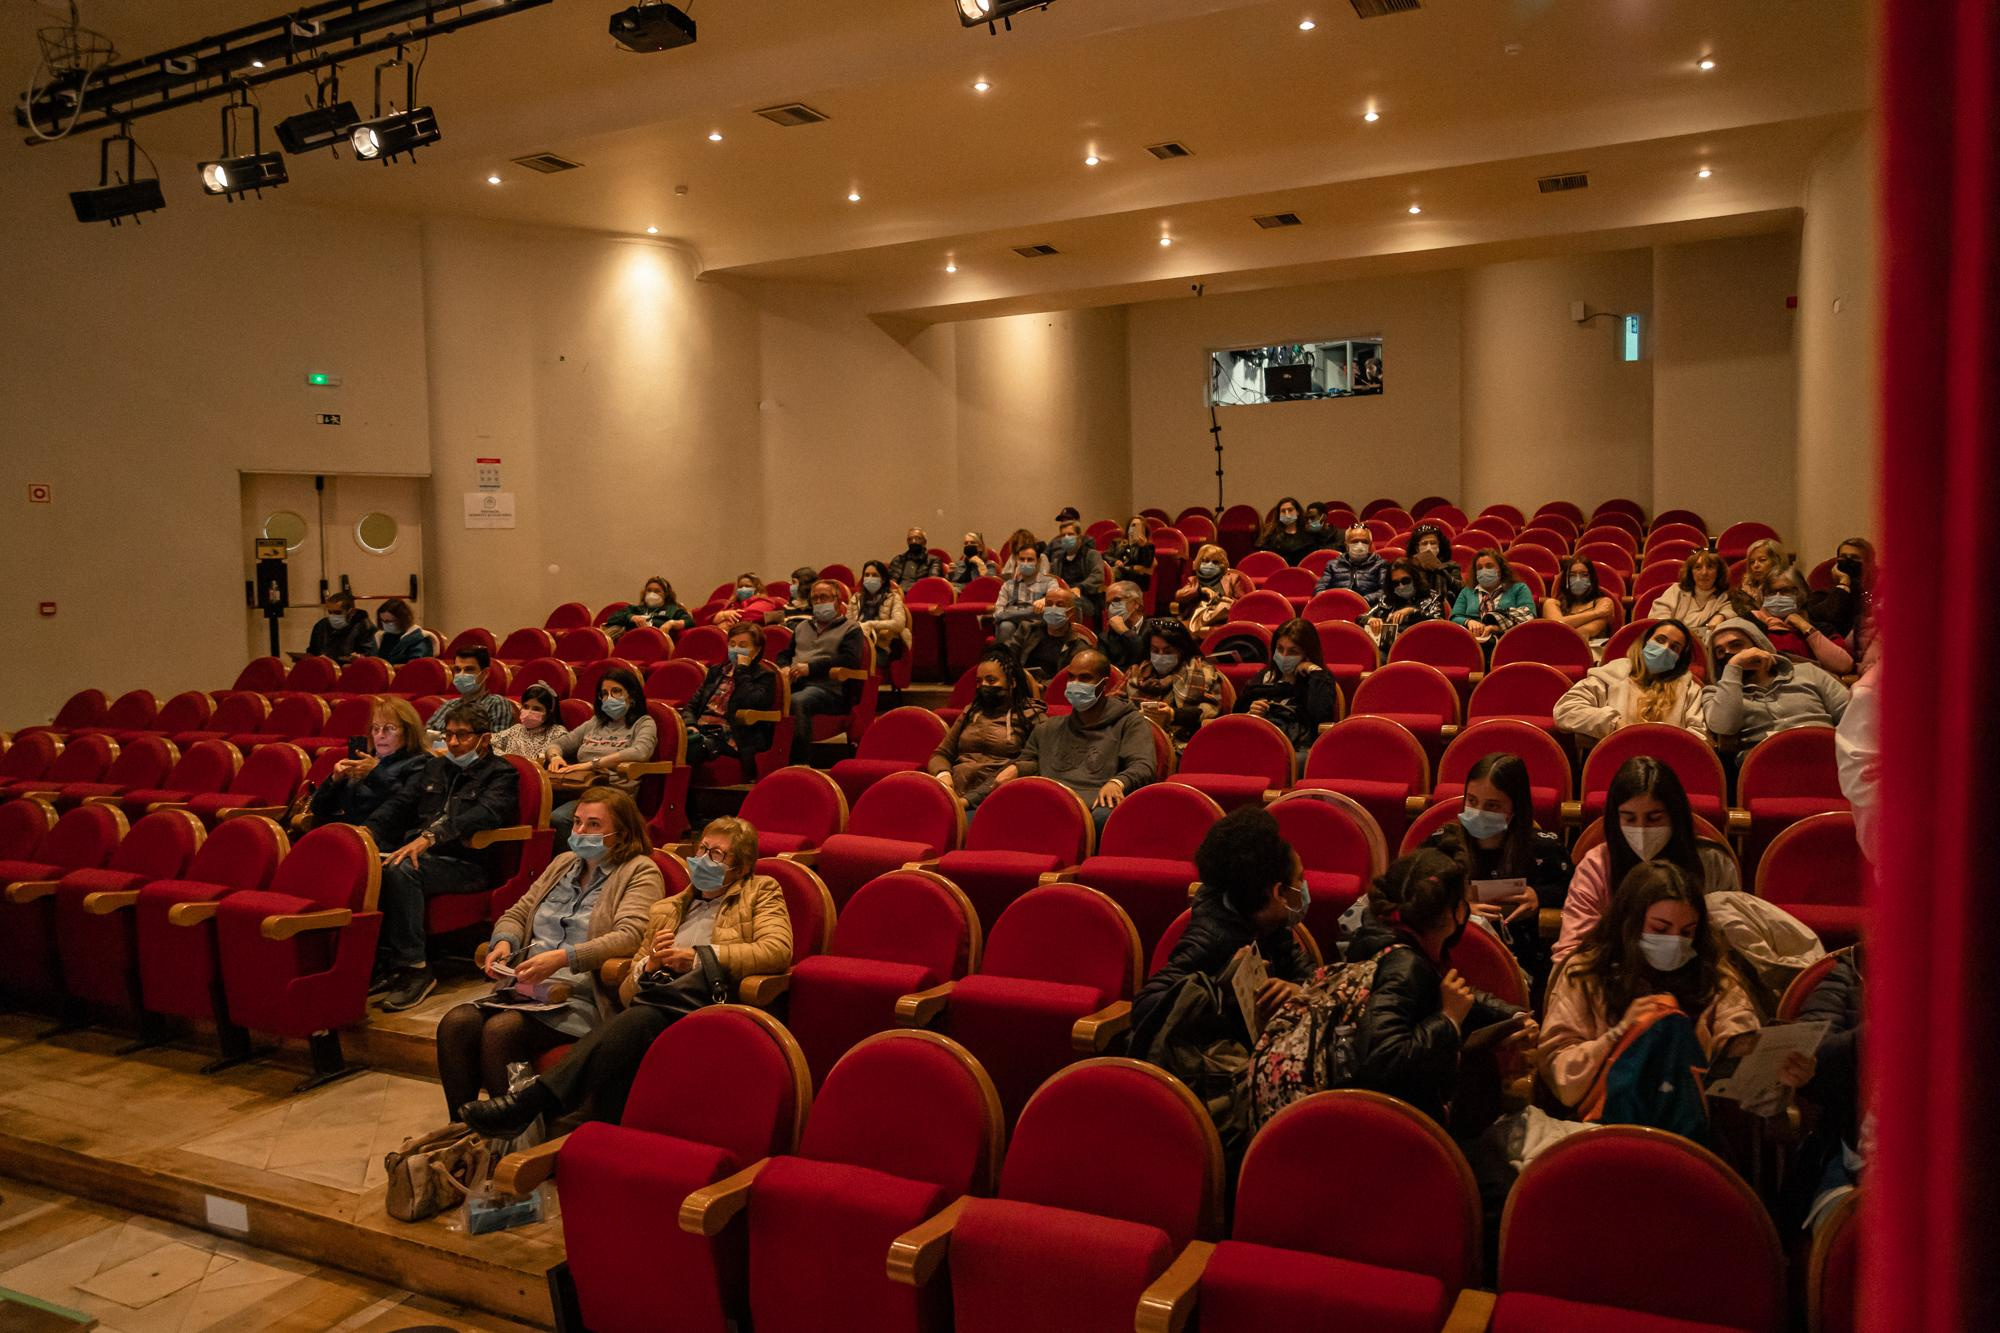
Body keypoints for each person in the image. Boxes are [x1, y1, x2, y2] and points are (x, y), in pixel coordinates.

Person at [457, 816, 792, 1136]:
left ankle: (529, 1105)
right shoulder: (669, 908)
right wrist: (648, 965)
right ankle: (571, 1130)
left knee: (636, 1020)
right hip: (662, 1001)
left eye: (717, 854)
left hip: (715, 1001)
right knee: (633, 1019)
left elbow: (777, 950)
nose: (704, 859)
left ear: (743, 867)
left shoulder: (760, 891)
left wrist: (698, 958)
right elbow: (629, 992)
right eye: (702, 849)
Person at [434, 789, 664, 1114]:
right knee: (455, 1023)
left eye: (593, 825)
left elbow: (629, 937)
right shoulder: (563, 863)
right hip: (527, 988)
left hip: (578, 996)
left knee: (500, 1031)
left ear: (621, 833)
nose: (580, 833)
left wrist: (563, 957)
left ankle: (514, 1137)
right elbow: (517, 913)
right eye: (577, 823)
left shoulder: (639, 871)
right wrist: (504, 943)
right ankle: (464, 1134)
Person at [1541, 862, 1808, 1118]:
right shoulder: (1586, 972)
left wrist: (1778, 1076)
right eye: (1660, 929)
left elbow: (1739, 1058)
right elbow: (1559, 1070)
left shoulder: (1716, 977)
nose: (1675, 941)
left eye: (1687, 932)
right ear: (1629, 923)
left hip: (1689, 1123)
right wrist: (1622, 1033)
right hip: (1604, 1121)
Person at [1338, 849, 1530, 1124]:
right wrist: (1448, 1019)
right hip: (1391, 1125)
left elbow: (1451, 993)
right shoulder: (1405, 964)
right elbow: (1385, 1059)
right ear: (1459, 912)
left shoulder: (1388, 939)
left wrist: (1513, 1017)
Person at [365, 703, 522, 1010]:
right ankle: (387, 963)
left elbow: (484, 814)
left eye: (462, 736)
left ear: (485, 739)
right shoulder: (435, 767)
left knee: (400, 869)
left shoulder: (502, 774)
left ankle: (416, 969)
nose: (451, 742)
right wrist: (365, 832)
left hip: (468, 864)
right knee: (368, 865)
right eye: (448, 734)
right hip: (424, 856)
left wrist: (432, 836)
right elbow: (400, 805)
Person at [1130, 806, 1313, 1040]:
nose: (1305, 889)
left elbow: (1311, 977)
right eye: (1301, 879)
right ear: (1278, 892)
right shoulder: (1209, 937)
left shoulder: (1272, 925)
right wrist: (1221, 989)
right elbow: (1145, 1006)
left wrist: (1298, 991)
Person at [1554, 757, 1742, 963]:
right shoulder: (1597, 865)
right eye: (1629, 818)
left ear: (1675, 815)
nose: (1641, 830)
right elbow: (1572, 950)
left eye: (1654, 818)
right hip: (1616, 979)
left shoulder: (1714, 862)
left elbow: (1730, 944)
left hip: (1699, 978)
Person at [1422, 753, 1574, 997]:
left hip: (1523, 963)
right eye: (1472, 801)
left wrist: (1540, 896)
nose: (1479, 811)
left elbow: (1575, 891)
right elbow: (1415, 892)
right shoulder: (1442, 844)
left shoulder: (1545, 849)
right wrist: (1459, 907)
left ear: (1515, 807)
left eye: (1492, 805)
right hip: (1451, 964)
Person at [990, 649, 1156, 829]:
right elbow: (1028, 762)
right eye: (1071, 677)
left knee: (1103, 818)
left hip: (1093, 804)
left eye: (1084, 678)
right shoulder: (1049, 728)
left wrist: (1118, 782)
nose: (1075, 684)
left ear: (1103, 685)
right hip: (1048, 800)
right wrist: (1017, 768)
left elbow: (1143, 765)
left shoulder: (1130, 721)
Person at [548, 667, 657, 850]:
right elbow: (559, 743)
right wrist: (555, 757)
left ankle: (573, 866)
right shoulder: (596, 723)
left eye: (616, 691)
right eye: (604, 694)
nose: (609, 698)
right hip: (581, 790)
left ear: (631, 695)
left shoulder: (643, 722)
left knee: (559, 819)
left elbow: (640, 752)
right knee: (533, 810)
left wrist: (591, 765)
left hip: (615, 795)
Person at [1554, 617, 1709, 742]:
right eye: (1660, 640)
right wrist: (1614, 723)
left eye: (1674, 647)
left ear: (1679, 659)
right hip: (1616, 758)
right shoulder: (1611, 674)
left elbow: (1698, 736)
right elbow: (1565, 710)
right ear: (1645, 642)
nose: (1665, 649)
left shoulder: (1688, 688)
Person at [1706, 617, 1850, 750]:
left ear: (1758, 645)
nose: (1728, 653)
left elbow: (1851, 715)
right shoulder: (1715, 693)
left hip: (1827, 752)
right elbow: (1723, 727)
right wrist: (1734, 666)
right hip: (1768, 765)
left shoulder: (1808, 672)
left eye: (1736, 645)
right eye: (1720, 651)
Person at [928, 648, 1044, 809]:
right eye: (979, 681)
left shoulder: (1031, 715)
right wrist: (943, 774)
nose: (983, 686)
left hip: (996, 797)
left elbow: (1041, 761)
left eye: (991, 680)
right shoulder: (971, 711)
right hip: (955, 790)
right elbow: (941, 754)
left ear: (1012, 683)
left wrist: (1018, 769)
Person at [307, 695, 430, 829]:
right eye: (376, 728)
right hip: (348, 834)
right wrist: (335, 780)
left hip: (384, 840)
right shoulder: (363, 759)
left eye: (389, 728)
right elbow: (318, 808)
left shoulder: (421, 763)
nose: (380, 735)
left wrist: (375, 773)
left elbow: (406, 807)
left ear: (408, 731)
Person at [779, 580, 865, 761]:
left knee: (798, 701)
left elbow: (850, 660)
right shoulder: (802, 627)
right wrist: (785, 667)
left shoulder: (850, 628)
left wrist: (810, 668)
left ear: (836, 600)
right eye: (815, 598)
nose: (819, 602)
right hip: (795, 682)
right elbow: (784, 654)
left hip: (829, 689)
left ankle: (800, 763)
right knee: (761, 695)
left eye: (824, 597)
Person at [682, 623, 781, 769]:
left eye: (742, 645)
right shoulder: (717, 671)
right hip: (701, 730)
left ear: (756, 650)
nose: (736, 649)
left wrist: (742, 670)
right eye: (732, 644)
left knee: (692, 750)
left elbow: (751, 703)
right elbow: (691, 705)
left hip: (732, 736)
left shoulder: (765, 676)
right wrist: (691, 725)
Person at [1232, 618, 1338, 748]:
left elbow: (1320, 717)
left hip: (1296, 746)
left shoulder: (1319, 680)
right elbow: (1237, 716)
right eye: (1280, 649)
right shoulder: (1265, 676)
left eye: (1293, 652)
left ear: (1307, 654)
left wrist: (1313, 670)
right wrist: (1251, 714)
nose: (1284, 656)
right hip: (1256, 739)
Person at [1120, 618, 1225, 747]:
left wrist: (1173, 714)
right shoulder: (1139, 671)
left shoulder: (1202, 671)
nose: (1160, 655)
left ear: (1181, 650)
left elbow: (1210, 710)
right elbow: (1114, 702)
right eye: (1155, 650)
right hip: (1136, 739)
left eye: (1168, 651)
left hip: (1184, 742)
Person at [1754, 565, 1855, 674]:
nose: (1777, 596)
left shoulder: (1820, 627)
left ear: (1802, 592)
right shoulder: (1754, 625)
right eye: (1771, 592)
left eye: (1785, 591)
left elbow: (1844, 666)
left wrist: (1805, 627)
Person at [1450, 548, 1535, 643]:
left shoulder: (1519, 588)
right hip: (1472, 641)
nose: (1484, 571)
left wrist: (1497, 627)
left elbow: (1529, 616)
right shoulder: (1467, 591)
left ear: (1500, 569)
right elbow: (1454, 617)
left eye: (1489, 566)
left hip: (1509, 640)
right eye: (1479, 568)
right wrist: (1468, 621)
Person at [427, 646, 517, 736]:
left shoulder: (497, 704)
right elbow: (424, 737)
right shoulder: (448, 705)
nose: (461, 675)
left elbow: (496, 745)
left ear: (485, 673)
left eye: (469, 670)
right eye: (458, 670)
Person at [1647, 550, 1735, 640]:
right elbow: (1659, 617)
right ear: (1690, 572)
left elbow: (1731, 610)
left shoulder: (1725, 596)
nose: (1704, 573)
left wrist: (1721, 616)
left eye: (1710, 567)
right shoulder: (1676, 591)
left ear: (1718, 572)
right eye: (1698, 567)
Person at [1359, 558, 1446, 645]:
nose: (1401, 586)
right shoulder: (1387, 600)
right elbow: (1361, 617)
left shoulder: (1433, 597)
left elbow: (1439, 624)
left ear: (1415, 578)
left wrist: (1413, 611)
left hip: (1423, 646)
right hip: (1389, 649)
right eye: (1396, 583)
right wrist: (1370, 619)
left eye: (1405, 581)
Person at [1012, 584, 1086, 679]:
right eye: (1049, 604)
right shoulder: (1027, 629)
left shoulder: (1077, 644)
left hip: (1052, 689)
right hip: (1022, 683)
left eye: (1059, 605)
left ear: (1070, 612)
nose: (1053, 608)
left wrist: (1043, 687)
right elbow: (1008, 654)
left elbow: (1069, 679)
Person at [1176, 544, 1255, 629]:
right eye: (1205, 561)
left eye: (1215, 562)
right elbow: (1179, 596)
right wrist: (1201, 590)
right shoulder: (1193, 580)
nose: (1209, 564)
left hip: (1224, 620)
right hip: (1196, 615)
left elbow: (1242, 603)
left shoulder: (1232, 579)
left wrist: (1224, 599)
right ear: (1199, 562)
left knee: (1224, 606)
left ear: (1222, 564)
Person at [992, 550, 1057, 649]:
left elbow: (1054, 604)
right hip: (1014, 623)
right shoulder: (1008, 585)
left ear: (1038, 561)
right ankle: (1003, 660)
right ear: (1017, 561)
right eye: (1022, 559)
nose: (1025, 563)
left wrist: (1046, 600)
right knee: (1005, 626)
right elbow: (998, 614)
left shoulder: (1050, 582)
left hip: (1037, 624)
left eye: (1030, 559)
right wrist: (1030, 613)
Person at [491, 683, 570, 764]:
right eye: (525, 707)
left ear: (549, 713)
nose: (528, 712)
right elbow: (495, 744)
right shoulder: (516, 730)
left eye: (536, 709)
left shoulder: (557, 733)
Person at [1543, 556, 1618, 640]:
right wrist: (1596, 613)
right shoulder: (1551, 603)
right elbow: (1559, 625)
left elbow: (1582, 632)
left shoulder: (1604, 603)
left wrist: (1568, 621)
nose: (1578, 579)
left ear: (1591, 578)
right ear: (1565, 579)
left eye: (1584, 575)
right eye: (1572, 575)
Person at [854, 560, 912, 665]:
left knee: (858, 660)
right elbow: (848, 623)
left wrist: (871, 625)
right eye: (867, 575)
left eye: (875, 575)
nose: (870, 578)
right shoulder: (856, 598)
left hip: (883, 647)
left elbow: (899, 624)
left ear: (883, 579)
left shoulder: (894, 597)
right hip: (858, 644)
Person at [1047, 518, 1105, 620]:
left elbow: (1098, 576)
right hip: (1061, 598)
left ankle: (1075, 634)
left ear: (1079, 537)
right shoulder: (1058, 561)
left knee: (1072, 600)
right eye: (1063, 535)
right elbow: (1051, 579)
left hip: (1087, 600)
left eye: (1070, 534)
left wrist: (1079, 587)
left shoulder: (1091, 555)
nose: (1066, 538)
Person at [1315, 524, 1388, 598]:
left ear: (1370, 545)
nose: (1360, 545)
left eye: (1364, 542)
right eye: (1355, 541)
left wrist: (1362, 601)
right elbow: (1320, 589)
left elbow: (1385, 591)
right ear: (1346, 546)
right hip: (1338, 605)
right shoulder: (1333, 565)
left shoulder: (1380, 564)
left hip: (1369, 606)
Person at [606, 577, 692, 638]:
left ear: (666, 595)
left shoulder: (673, 610)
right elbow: (612, 618)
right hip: (632, 642)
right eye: (649, 590)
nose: (652, 594)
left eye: (657, 591)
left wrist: (671, 623)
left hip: (657, 645)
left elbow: (690, 622)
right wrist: (632, 617)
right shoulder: (637, 609)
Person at [306, 591, 373, 663]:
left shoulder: (363, 627)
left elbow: (369, 654)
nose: (332, 616)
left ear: (351, 612)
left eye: (338, 612)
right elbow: (312, 651)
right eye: (330, 612)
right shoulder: (321, 626)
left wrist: (357, 658)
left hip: (352, 670)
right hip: (325, 669)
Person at [364, 597, 433, 664]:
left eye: (389, 621)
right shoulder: (381, 637)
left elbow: (415, 665)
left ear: (402, 619)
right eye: (382, 621)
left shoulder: (418, 638)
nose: (385, 624)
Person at [1408, 522, 1463, 600]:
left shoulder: (1452, 566)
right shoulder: (1408, 567)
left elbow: (1461, 590)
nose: (1429, 547)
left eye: (1433, 543)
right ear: (1417, 548)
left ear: (1439, 546)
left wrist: (1441, 570)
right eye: (1424, 543)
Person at [1100, 580, 1148, 669]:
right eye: (1108, 604)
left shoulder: (1154, 629)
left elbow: (1144, 660)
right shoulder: (1105, 638)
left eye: (1116, 600)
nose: (1111, 608)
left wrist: (1125, 632)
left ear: (1136, 603)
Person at [711, 573, 784, 630]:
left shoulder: (765, 601)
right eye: (740, 586)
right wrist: (724, 615)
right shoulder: (733, 604)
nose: (743, 589)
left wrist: (723, 618)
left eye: (747, 586)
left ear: (757, 588)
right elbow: (710, 619)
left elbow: (747, 614)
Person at [1260, 496, 1318, 565]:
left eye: (1290, 510)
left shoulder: (1310, 534)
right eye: (1283, 511)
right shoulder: (1271, 536)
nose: (1287, 514)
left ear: (1297, 512)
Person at [1105, 517, 1157, 594]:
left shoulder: (1148, 547)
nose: (1135, 528)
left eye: (1139, 526)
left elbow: (1147, 564)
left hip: (1135, 578)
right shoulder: (1116, 542)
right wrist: (1115, 561)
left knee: (1114, 572)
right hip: (1117, 573)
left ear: (1144, 530)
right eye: (1133, 526)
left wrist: (1144, 546)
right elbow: (1106, 555)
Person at [1740, 537, 1794, 605]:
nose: (1755, 565)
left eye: (1762, 560)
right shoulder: (1744, 590)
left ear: (1777, 561)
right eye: (1752, 562)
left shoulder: (1791, 585)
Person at [777, 565, 822, 632]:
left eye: (794, 582)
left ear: (804, 584)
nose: (791, 586)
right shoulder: (788, 606)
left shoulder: (817, 607)